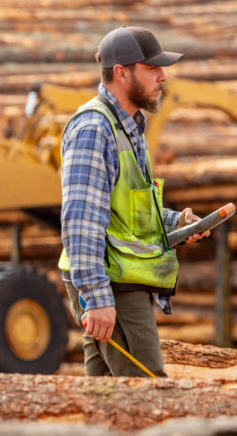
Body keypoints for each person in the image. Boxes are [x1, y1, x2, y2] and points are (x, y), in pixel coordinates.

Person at [58, 25, 211, 377]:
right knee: (148, 392)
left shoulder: (128, 127)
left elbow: (129, 213)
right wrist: (97, 298)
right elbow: (81, 221)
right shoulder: (95, 129)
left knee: (107, 395)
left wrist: (177, 223)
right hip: (111, 283)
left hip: (118, 280)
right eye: (152, 68)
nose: (162, 77)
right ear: (121, 73)